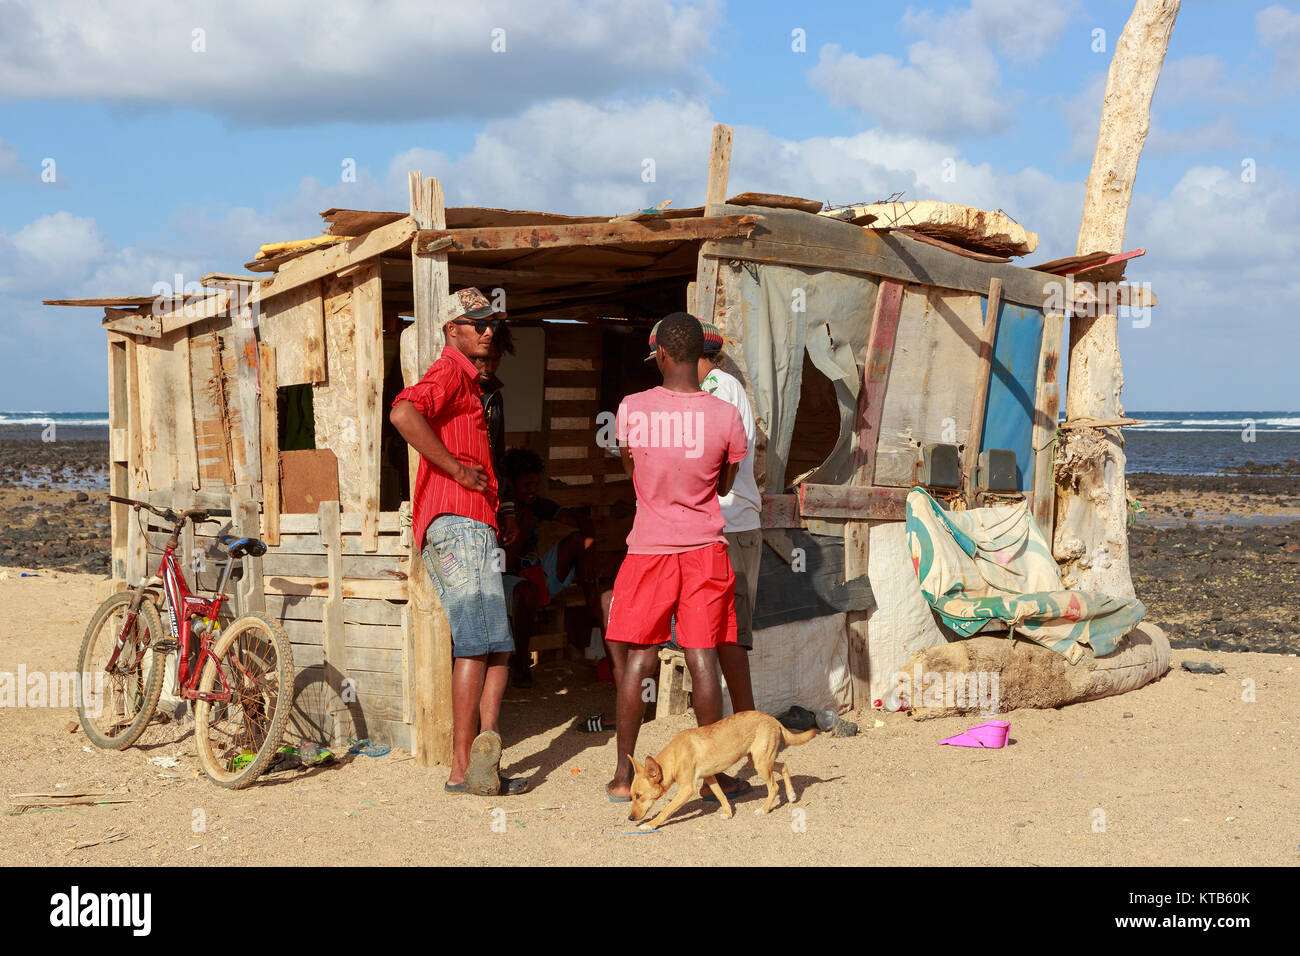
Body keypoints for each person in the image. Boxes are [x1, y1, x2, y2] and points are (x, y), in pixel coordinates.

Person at [603, 312, 748, 803]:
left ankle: (625, 780)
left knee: (640, 657)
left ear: (662, 354)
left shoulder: (632, 409)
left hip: (649, 548)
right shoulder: (725, 416)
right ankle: (712, 778)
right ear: (696, 355)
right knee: (702, 654)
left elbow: (632, 468)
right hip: (706, 549)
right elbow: (725, 484)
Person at [389, 287, 527, 797]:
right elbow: (403, 413)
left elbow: (492, 462)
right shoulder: (449, 370)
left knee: (498, 647)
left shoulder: (477, 386)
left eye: (492, 323)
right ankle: (462, 766)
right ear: (453, 330)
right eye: (477, 323)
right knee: (476, 645)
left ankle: (483, 755)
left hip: (477, 523)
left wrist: (500, 507)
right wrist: (453, 469)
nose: (488, 331)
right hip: (458, 521)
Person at [696, 320, 761, 716]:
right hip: (721, 524)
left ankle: (746, 724)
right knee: (716, 632)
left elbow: (717, 460)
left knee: (730, 632)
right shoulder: (712, 388)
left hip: (730, 523)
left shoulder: (719, 388)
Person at [498, 448, 603, 687]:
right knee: (528, 592)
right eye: (526, 485)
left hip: (536, 574)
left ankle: (595, 627)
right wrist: (521, 529)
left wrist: (590, 554)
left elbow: (583, 521)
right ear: (511, 484)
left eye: (535, 484)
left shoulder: (536, 504)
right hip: (506, 581)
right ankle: (522, 663)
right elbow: (505, 564)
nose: (532, 489)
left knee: (579, 541)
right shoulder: (501, 509)